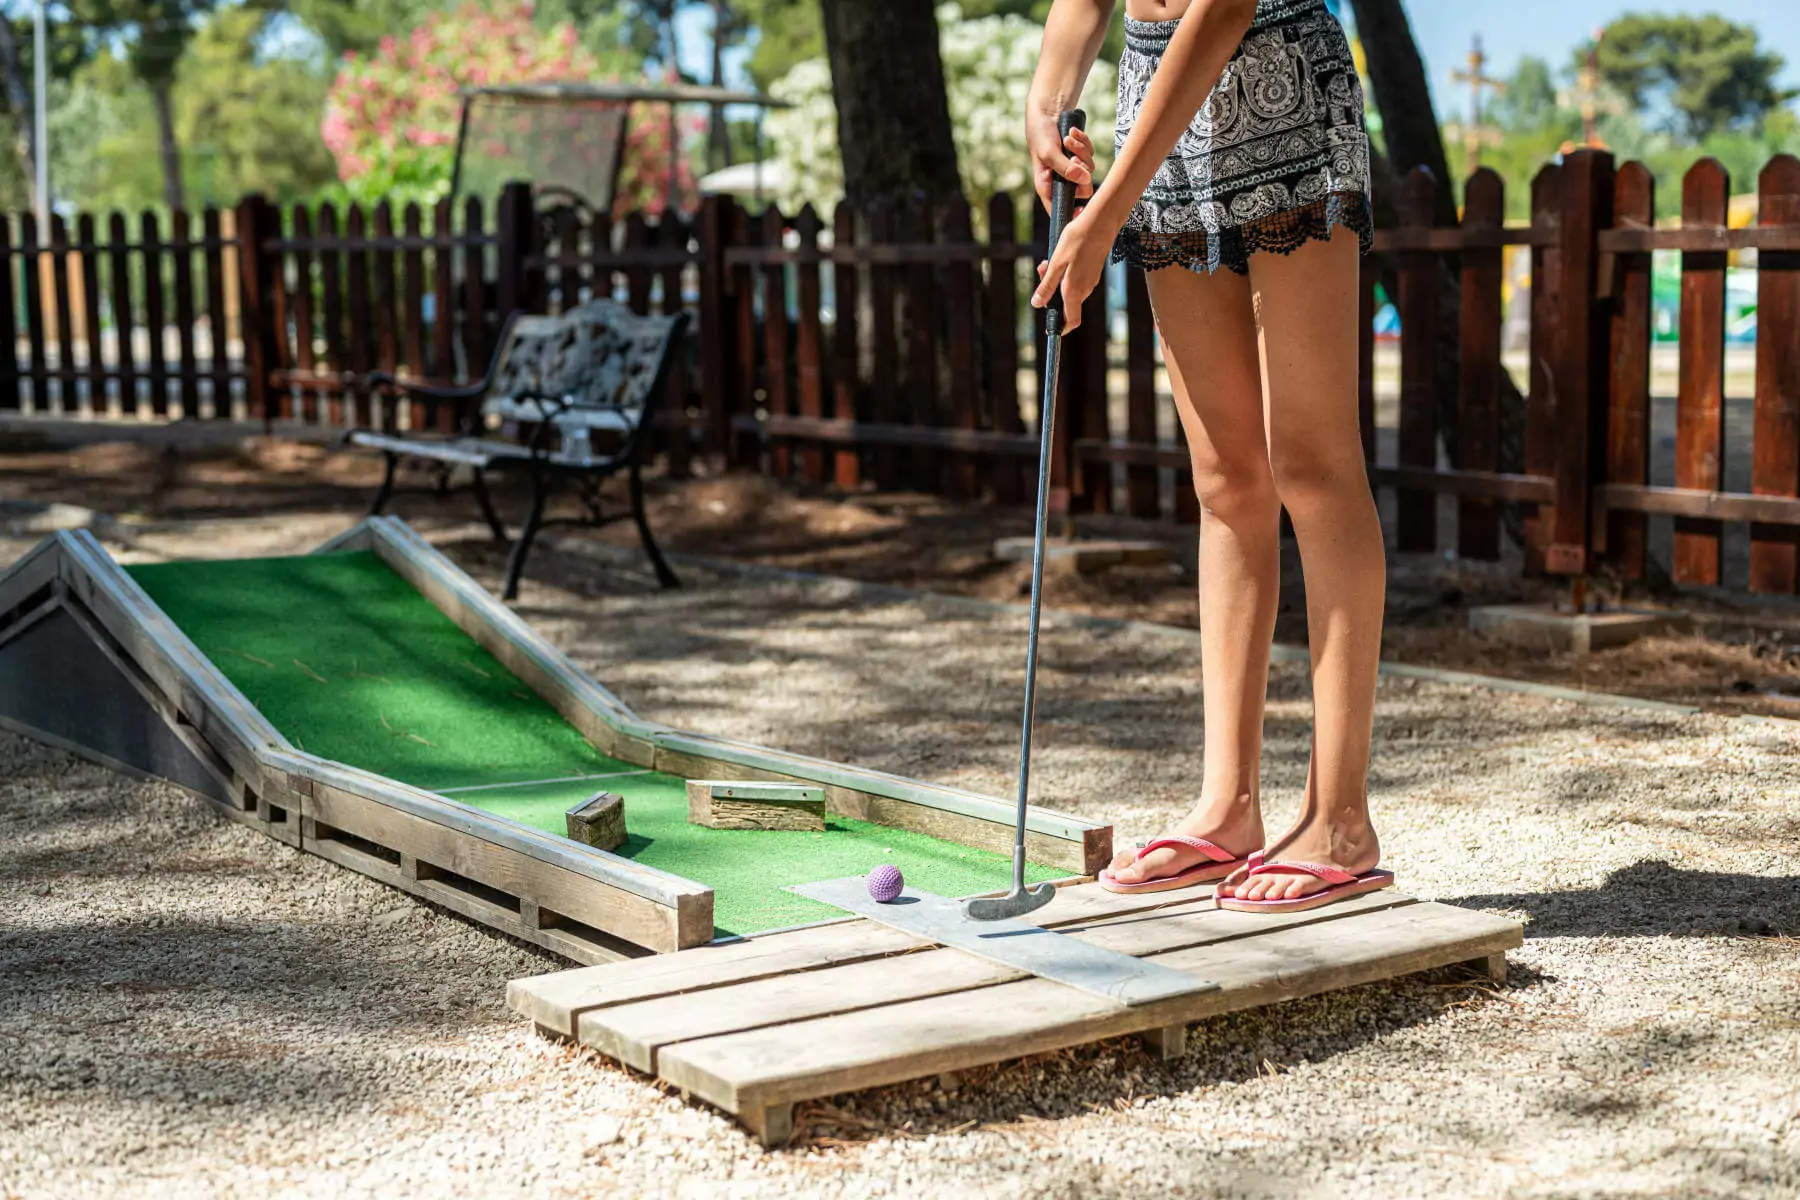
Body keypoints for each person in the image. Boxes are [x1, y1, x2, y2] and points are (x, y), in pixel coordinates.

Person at [1028, 0, 1392, 912]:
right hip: (1159, 100)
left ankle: (1341, 819)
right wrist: (1048, 96)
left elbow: (1225, 5)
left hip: (1280, 85)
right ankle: (1227, 804)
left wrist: (1104, 213)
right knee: (1227, 478)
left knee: (1311, 463)